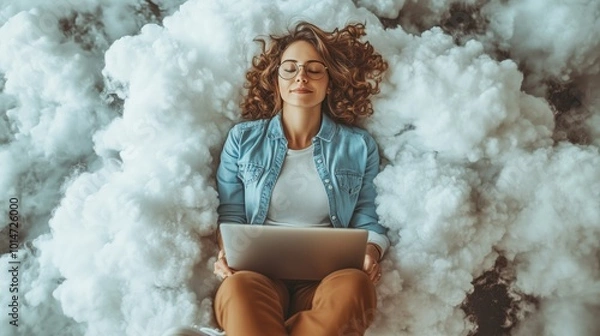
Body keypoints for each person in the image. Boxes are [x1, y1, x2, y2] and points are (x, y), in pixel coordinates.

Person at [164, 21, 389, 336]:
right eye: (290, 69)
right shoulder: (243, 140)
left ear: (330, 82)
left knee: (356, 287)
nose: (301, 76)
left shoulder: (358, 146)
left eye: (314, 69)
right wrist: (226, 250)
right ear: (275, 80)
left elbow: (368, 218)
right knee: (239, 290)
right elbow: (231, 213)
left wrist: (370, 253)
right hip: (258, 275)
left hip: (329, 279)